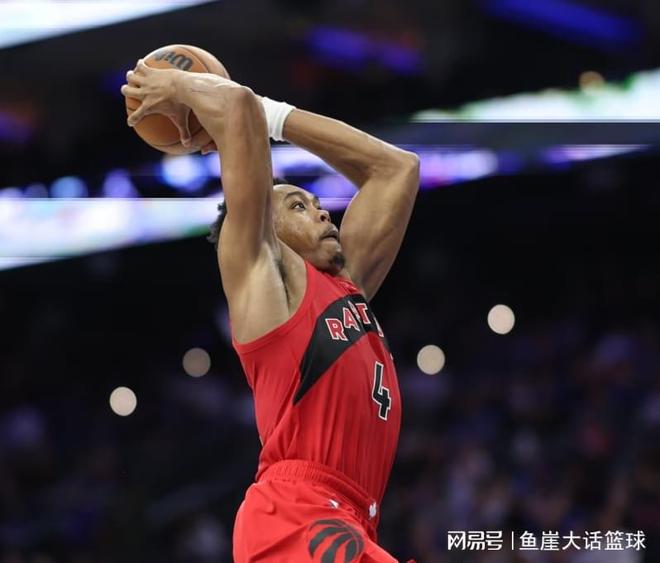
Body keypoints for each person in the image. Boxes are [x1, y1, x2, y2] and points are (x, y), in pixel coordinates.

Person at [121, 59, 419, 563]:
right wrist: (181, 84)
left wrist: (273, 114)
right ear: (267, 232)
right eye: (298, 206)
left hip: (349, 519)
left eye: (316, 202)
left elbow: (397, 168)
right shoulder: (263, 276)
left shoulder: (346, 289)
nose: (322, 210)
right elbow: (236, 104)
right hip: (297, 513)